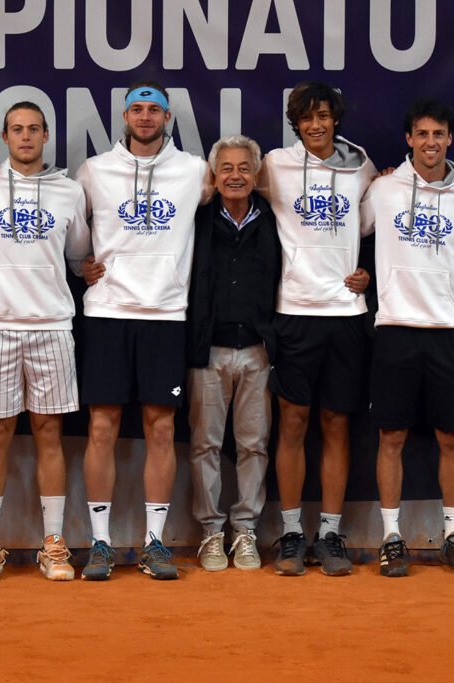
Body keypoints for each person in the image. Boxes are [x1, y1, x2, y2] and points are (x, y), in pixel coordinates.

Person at [76, 81, 211, 580]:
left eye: (155, 109)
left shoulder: (195, 171)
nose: (147, 117)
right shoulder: (94, 170)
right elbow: (63, 225)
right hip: (108, 313)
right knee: (102, 428)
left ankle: (155, 544)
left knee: (161, 428)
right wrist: (79, 265)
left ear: (168, 118)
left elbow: (255, 186)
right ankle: (101, 544)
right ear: (125, 116)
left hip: (166, 315)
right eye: (138, 109)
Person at [0, 102, 91, 581]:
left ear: (46, 134)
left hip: (53, 325)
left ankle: (53, 544)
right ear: (4, 136)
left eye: (34, 129)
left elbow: (79, 256)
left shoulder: (68, 191)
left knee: (48, 433)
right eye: (17, 129)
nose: (26, 136)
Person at [364, 99, 454, 577]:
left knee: (450, 437)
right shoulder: (383, 189)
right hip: (396, 327)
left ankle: (453, 536)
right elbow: (346, 232)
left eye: (439, 134)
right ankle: (391, 537)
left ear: (450, 139)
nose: (431, 142)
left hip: (452, 331)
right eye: (422, 134)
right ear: (409, 139)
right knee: (391, 436)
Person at [257, 81, 374, 576]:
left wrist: (366, 274)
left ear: (335, 120)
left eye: (324, 116)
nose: (316, 125)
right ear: (296, 124)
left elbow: (387, 213)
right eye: (306, 118)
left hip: (346, 314)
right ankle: (289, 533)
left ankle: (328, 533)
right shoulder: (273, 165)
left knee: (336, 425)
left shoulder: (362, 166)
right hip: (294, 312)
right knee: (293, 423)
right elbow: (223, 183)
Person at [187, 135, 280, 571]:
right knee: (205, 445)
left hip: (258, 351)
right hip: (209, 351)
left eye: (244, 168)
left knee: (253, 446)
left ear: (256, 173)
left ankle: (244, 531)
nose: (236, 176)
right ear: (214, 174)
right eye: (226, 168)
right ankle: (209, 532)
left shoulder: (276, 219)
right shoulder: (196, 218)